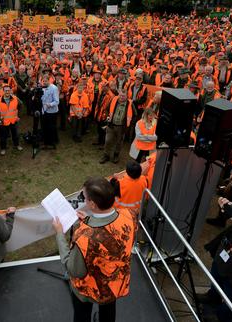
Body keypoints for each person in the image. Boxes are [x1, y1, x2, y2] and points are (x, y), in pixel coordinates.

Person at [53, 177, 135, 322]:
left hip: (88, 290)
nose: (83, 200)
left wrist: (59, 234)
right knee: (108, 313)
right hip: (114, 285)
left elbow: (74, 270)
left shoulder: (84, 237)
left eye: (84, 197)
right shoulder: (129, 215)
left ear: (92, 204)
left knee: (82, 316)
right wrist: (88, 221)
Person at [100, 90, 133, 164]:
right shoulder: (113, 100)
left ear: (127, 96)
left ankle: (116, 155)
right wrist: (108, 116)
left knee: (119, 142)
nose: (121, 97)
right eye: (120, 95)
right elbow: (107, 109)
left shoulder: (130, 104)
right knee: (108, 140)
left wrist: (129, 125)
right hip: (111, 125)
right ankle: (106, 155)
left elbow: (134, 115)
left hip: (121, 127)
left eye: (123, 96)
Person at [0, 85, 23, 155]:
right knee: (3, 136)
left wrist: (18, 116)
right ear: (3, 91)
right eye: (5, 90)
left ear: (10, 91)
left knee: (15, 134)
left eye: (8, 90)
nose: (7, 92)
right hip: (3, 122)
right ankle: (3, 148)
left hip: (13, 120)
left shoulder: (15, 98)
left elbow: (21, 105)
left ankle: (17, 145)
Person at [41, 74, 60, 148]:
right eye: (43, 81)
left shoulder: (54, 88)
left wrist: (50, 104)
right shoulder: (43, 88)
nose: (44, 82)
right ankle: (47, 141)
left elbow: (57, 101)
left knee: (52, 127)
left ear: (49, 80)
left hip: (52, 112)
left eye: (46, 81)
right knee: (46, 127)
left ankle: (53, 141)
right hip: (44, 111)